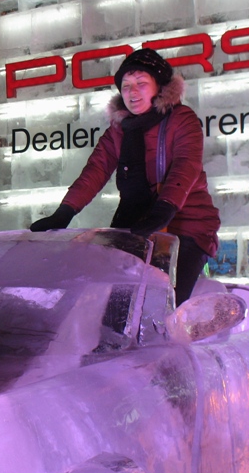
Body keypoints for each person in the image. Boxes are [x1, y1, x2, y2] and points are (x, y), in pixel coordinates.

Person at [30, 48, 220, 305]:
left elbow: (186, 165)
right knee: (115, 302)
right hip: (138, 226)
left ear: (160, 87)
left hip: (187, 225)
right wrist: (65, 211)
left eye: (141, 83)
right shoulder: (119, 130)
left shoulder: (181, 119)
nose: (132, 92)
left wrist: (165, 207)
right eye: (126, 85)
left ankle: (169, 343)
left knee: (164, 304)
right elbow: (95, 170)